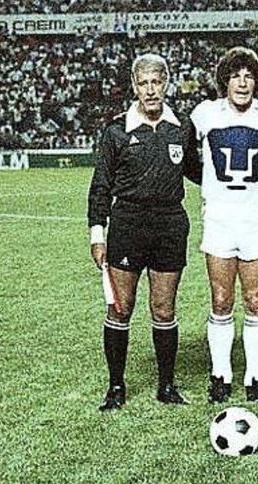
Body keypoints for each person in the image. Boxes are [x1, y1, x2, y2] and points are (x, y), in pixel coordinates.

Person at [87, 53, 201, 411]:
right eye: (143, 83)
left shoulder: (182, 128)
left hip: (170, 225)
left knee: (164, 309)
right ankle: (115, 386)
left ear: (166, 83)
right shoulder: (117, 131)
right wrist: (97, 234)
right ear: (134, 86)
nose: (150, 90)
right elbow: (101, 185)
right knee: (121, 308)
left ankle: (166, 386)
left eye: (156, 82)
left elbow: (198, 171)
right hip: (128, 224)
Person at [190, 46, 258, 403]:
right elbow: (184, 155)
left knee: (255, 299)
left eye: (249, 76)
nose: (242, 83)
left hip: (254, 218)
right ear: (225, 81)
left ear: (257, 82)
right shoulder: (204, 113)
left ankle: (255, 377)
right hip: (218, 217)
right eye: (235, 76)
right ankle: (221, 375)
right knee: (221, 299)